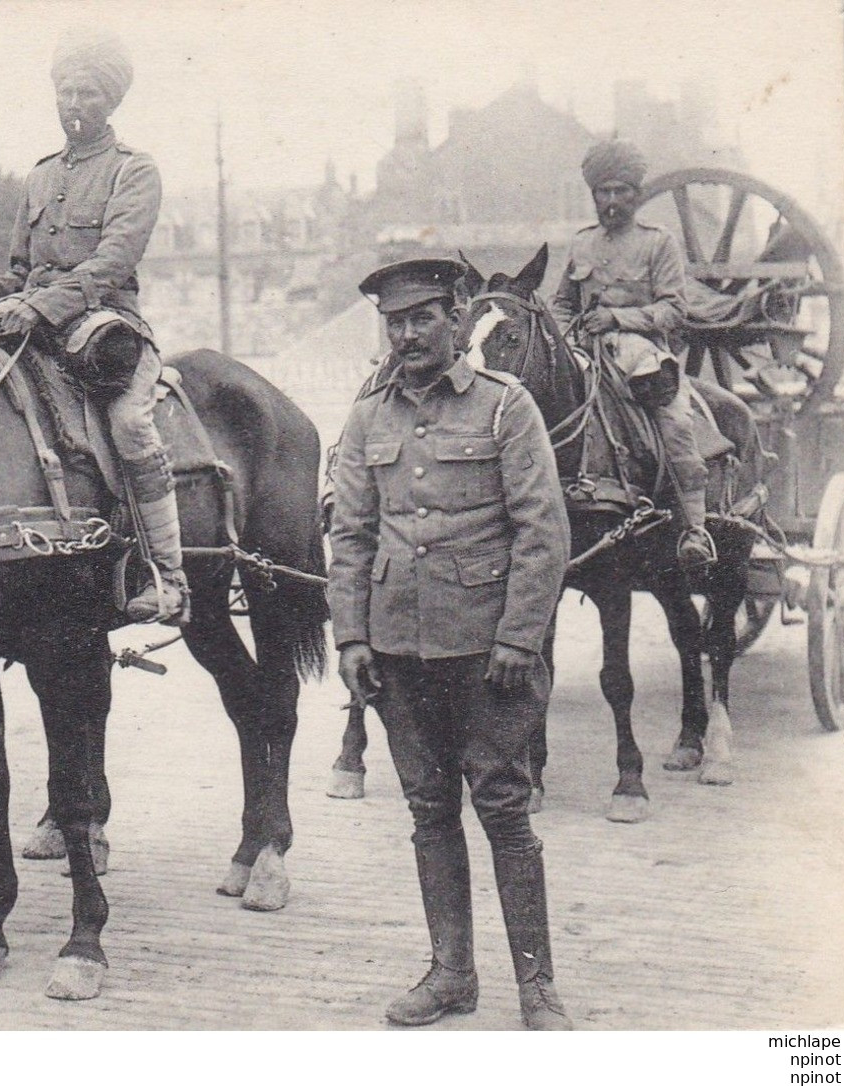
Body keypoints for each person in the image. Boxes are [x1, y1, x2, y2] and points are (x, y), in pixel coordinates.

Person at [328, 258, 574, 1030]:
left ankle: (536, 987)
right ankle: (450, 974)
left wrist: (518, 637)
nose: (406, 335)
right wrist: (351, 637)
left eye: (421, 319)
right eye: (394, 322)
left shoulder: (506, 408)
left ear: (456, 320)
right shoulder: (368, 416)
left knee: (503, 811)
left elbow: (543, 533)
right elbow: (350, 535)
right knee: (429, 810)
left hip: (487, 653)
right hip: (398, 650)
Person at [0, 29, 187, 624]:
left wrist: (39, 306)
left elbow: (112, 263)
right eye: (65, 92)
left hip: (106, 324)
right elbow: (21, 272)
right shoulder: (41, 176)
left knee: (128, 424)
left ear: (111, 102)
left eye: (89, 94)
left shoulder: (134, 171)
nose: (74, 104)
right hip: (32, 319)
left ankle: (168, 575)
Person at [551, 138, 716, 570]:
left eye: (620, 191)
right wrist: (566, 333)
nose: (610, 201)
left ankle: (694, 530)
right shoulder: (581, 244)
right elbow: (562, 302)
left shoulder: (657, 244)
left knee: (677, 424)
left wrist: (618, 320)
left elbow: (673, 310)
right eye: (602, 192)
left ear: (636, 195)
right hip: (585, 351)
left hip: (642, 355)